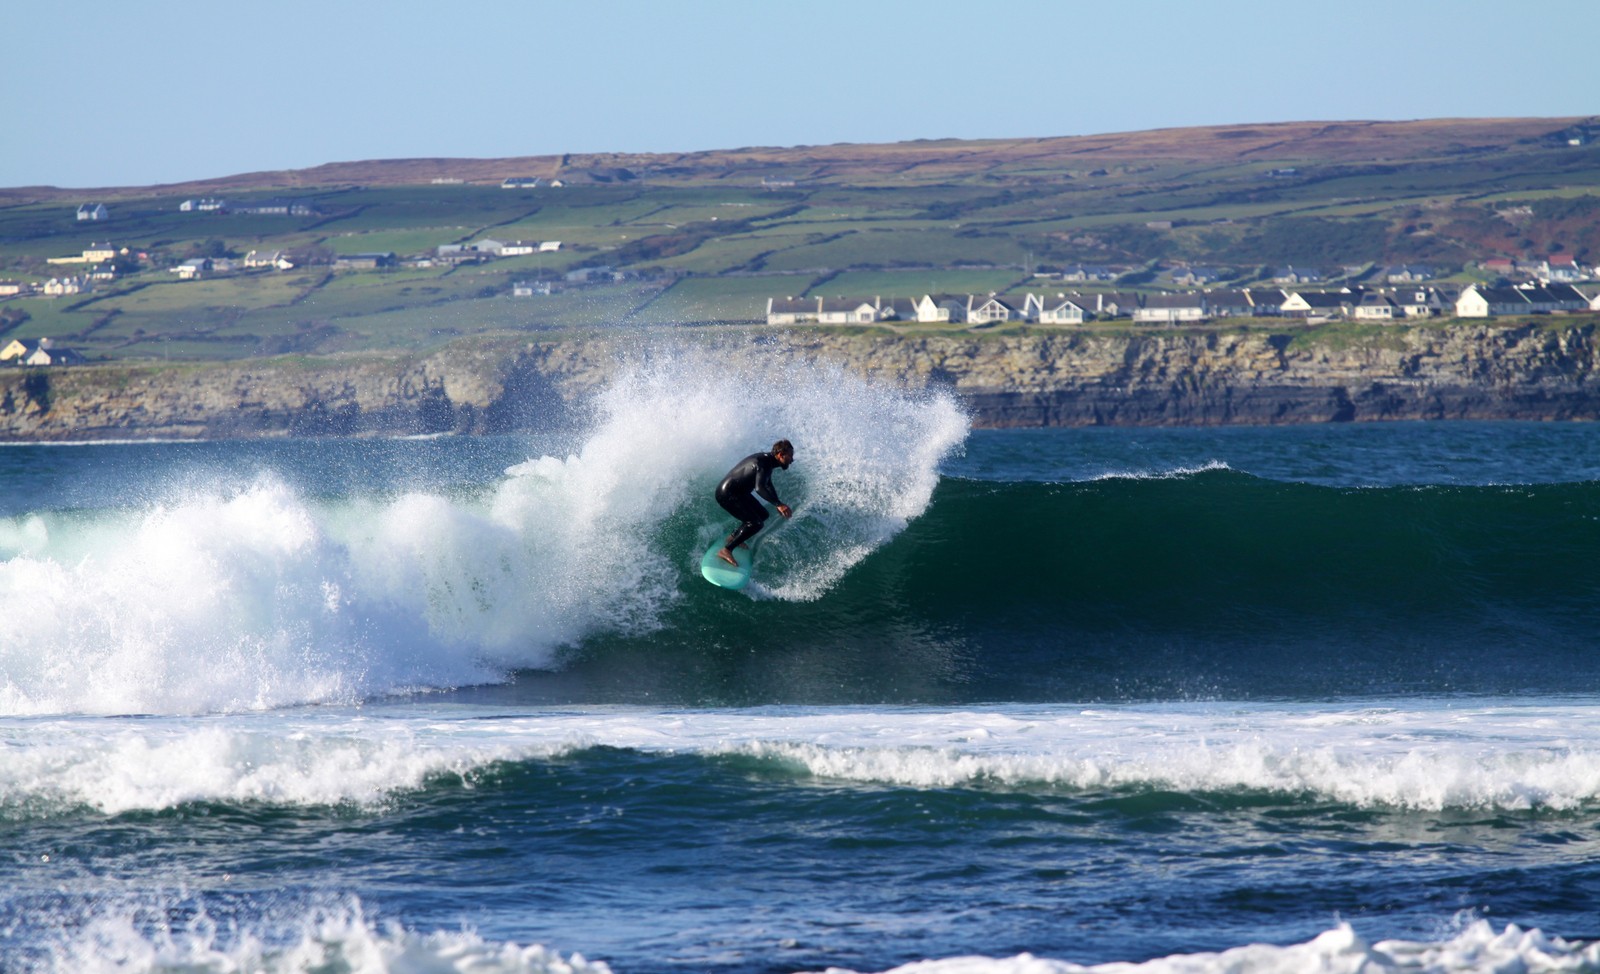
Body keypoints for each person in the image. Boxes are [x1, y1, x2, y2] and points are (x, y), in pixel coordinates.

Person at [714, 439, 794, 567]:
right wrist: (778, 504)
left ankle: (734, 536)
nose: (792, 460)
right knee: (755, 523)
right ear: (781, 455)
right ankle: (727, 550)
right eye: (790, 456)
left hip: (739, 493)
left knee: (763, 515)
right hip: (728, 494)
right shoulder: (764, 463)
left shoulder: (768, 461)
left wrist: (778, 503)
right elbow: (760, 488)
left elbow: (767, 483)